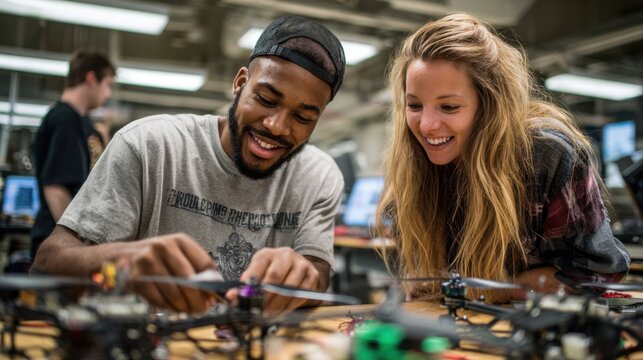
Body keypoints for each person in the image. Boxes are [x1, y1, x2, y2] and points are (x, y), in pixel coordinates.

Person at [33, 15, 346, 314]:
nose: (277, 126)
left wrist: (304, 276)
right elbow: (46, 266)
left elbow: (317, 271)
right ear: (240, 83)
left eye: (303, 117)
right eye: (265, 99)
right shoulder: (149, 145)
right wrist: (118, 265)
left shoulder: (318, 176)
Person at [375, 13, 630, 303]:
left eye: (448, 107)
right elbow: (434, 274)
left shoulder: (546, 153)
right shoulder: (415, 161)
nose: (426, 125)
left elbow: (598, 270)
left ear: (489, 106)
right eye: (414, 105)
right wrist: (426, 281)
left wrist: (496, 290)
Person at [31, 50, 115, 260]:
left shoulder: (82, 123)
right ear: (90, 79)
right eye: (107, 84)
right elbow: (56, 187)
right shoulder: (65, 120)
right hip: (59, 245)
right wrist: (77, 242)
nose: (108, 94)